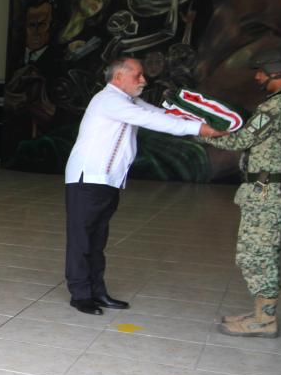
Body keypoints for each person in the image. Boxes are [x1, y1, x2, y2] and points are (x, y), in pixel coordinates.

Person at [64, 56, 222, 315]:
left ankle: (97, 291)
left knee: (97, 240)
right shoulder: (109, 100)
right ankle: (80, 295)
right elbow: (153, 121)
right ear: (118, 77)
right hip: (88, 179)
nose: (143, 80)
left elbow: (157, 113)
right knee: (82, 241)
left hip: (106, 180)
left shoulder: (127, 101)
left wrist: (198, 123)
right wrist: (200, 129)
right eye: (137, 75)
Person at [204, 44, 281, 337]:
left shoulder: (278, 105)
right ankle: (262, 312)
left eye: (262, 72)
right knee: (260, 251)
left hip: (266, 189)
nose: (258, 77)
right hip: (268, 186)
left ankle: (265, 321)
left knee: (257, 254)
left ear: (277, 70)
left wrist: (202, 135)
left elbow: (241, 141)